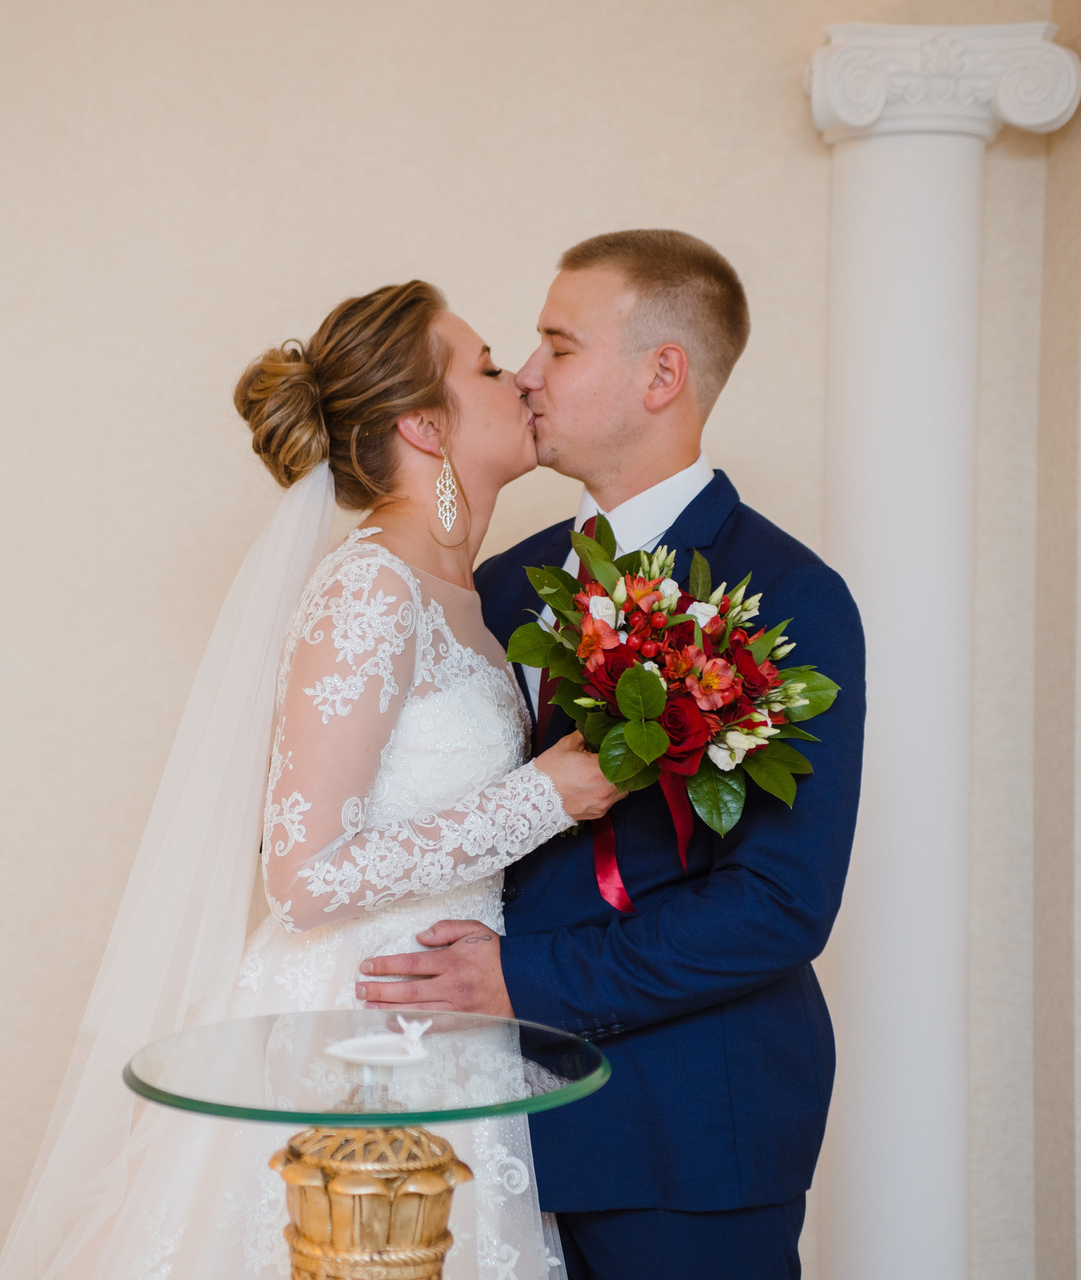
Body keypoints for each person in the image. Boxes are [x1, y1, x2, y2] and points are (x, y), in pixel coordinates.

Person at [0, 280, 623, 1280]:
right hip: (355, 1026)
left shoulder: (466, 592)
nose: (522, 380)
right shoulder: (371, 586)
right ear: (425, 425)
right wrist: (544, 796)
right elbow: (302, 873)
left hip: (451, 1023)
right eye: (489, 366)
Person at [358, 231, 867, 1280]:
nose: (527, 375)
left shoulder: (788, 596)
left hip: (687, 1127)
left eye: (559, 345)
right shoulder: (498, 584)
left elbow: (780, 901)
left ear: (661, 374)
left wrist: (522, 976)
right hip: (489, 1129)